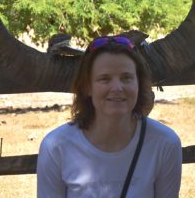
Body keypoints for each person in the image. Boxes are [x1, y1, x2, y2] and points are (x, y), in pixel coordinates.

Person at [37, 35, 182, 198]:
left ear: (139, 85)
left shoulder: (164, 145)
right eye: (104, 79)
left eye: (126, 78)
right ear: (87, 87)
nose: (117, 87)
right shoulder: (56, 147)